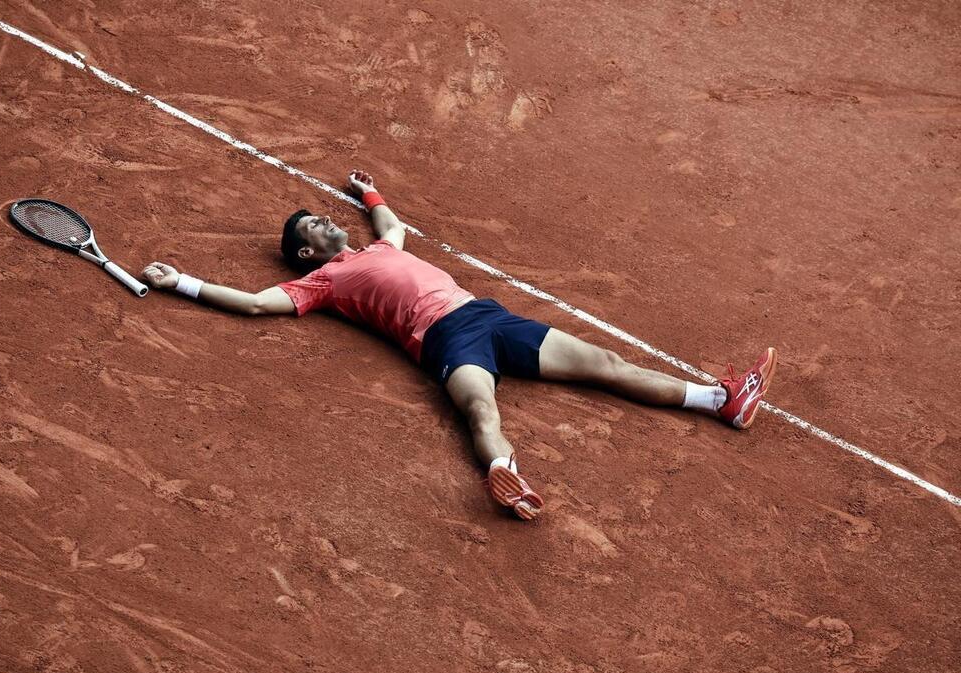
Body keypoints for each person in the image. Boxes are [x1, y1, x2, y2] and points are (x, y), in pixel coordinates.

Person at [142, 170, 776, 520]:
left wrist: (370, 196)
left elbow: (394, 225)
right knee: (481, 411)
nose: (328, 221)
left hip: (489, 317)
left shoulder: (376, 247)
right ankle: (508, 479)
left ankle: (718, 400)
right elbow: (256, 303)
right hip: (444, 339)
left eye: (325, 215)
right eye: (317, 225)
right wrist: (184, 284)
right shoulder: (321, 283)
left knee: (604, 365)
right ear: (307, 251)